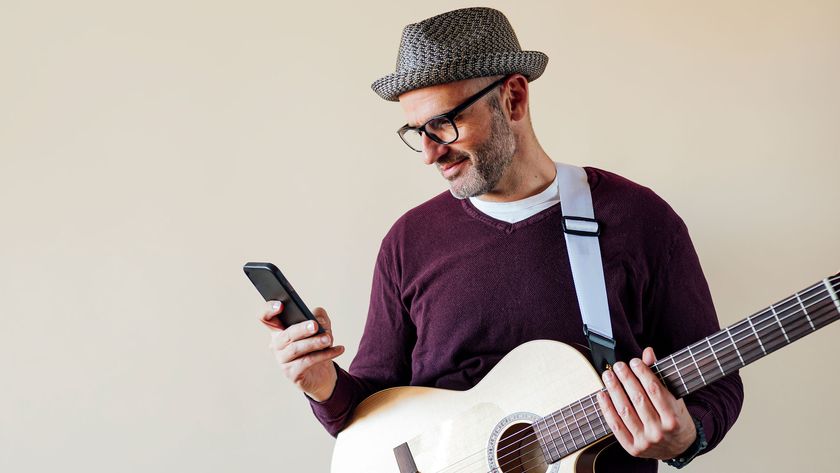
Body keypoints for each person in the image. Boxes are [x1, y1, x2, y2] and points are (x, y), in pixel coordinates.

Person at [259, 7, 743, 471]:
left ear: (513, 97)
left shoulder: (639, 219)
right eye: (416, 131)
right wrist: (322, 384)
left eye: (444, 124)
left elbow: (719, 389)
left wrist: (685, 436)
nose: (430, 154)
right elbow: (368, 415)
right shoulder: (409, 241)